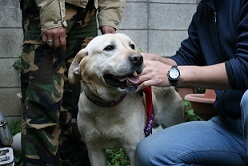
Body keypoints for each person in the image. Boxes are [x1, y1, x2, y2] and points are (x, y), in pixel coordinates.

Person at [135, 0, 248, 165]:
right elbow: (187, 58)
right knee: (151, 152)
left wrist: (173, 74)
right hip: (230, 127)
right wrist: (156, 60)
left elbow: (244, 69)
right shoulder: (207, 7)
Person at [19, 0, 125, 165]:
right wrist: (51, 16)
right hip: (49, 9)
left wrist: (109, 16)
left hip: (87, 11)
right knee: (43, 104)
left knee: (77, 102)